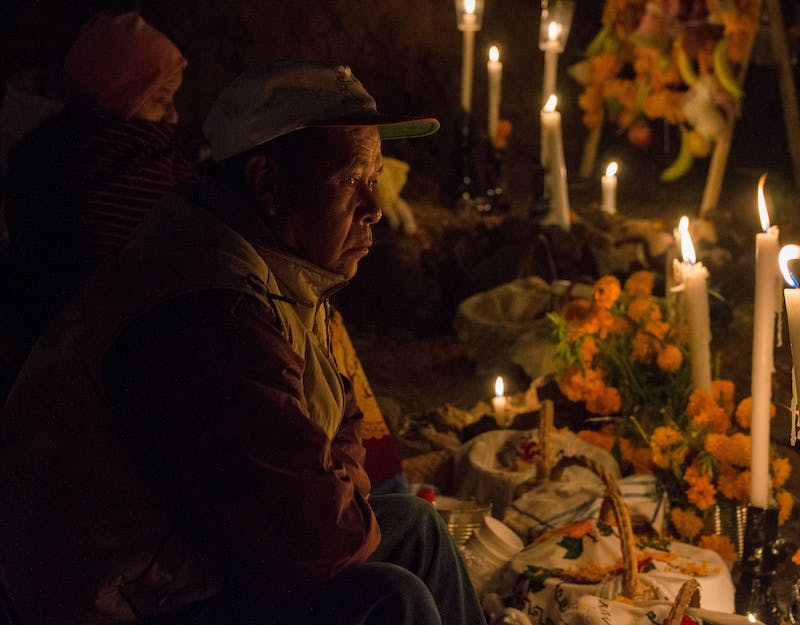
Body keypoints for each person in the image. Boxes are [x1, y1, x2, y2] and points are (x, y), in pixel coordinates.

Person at [0, 61, 484, 625]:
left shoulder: (278, 271)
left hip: (188, 560)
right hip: (121, 599)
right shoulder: (208, 310)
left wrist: (333, 492)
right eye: (353, 179)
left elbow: (340, 424)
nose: (374, 208)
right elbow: (312, 538)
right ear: (268, 184)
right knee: (389, 598)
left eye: (374, 179)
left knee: (418, 529)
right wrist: (333, 496)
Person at [2, 10, 197, 369]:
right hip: (110, 345)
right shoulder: (140, 157)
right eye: (159, 99)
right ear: (120, 92)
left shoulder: (35, 149)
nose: (173, 116)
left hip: (35, 344)